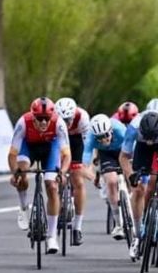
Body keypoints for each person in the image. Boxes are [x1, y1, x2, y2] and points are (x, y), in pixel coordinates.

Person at [8, 97, 71, 254]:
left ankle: (51, 236)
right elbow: (12, 154)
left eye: (46, 119)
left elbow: (66, 154)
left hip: (50, 149)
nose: (43, 123)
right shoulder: (23, 122)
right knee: (22, 172)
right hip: (28, 147)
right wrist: (15, 173)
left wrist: (62, 172)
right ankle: (23, 208)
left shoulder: (59, 124)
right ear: (33, 116)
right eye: (39, 119)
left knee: (51, 185)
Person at [119, 111, 158, 259]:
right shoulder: (134, 128)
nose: (150, 142)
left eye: (152, 138)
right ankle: (137, 234)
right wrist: (131, 176)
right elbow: (123, 157)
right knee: (139, 188)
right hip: (141, 148)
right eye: (147, 137)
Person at [83, 114, 128, 241]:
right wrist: (86, 167)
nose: (103, 140)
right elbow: (86, 155)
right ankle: (118, 223)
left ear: (111, 131)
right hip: (106, 155)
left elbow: (133, 146)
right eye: (100, 138)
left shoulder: (120, 130)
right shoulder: (90, 137)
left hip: (123, 152)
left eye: (106, 136)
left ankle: (132, 202)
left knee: (132, 177)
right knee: (111, 182)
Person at [54, 98, 90, 245]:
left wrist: (84, 165)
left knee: (78, 181)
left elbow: (87, 145)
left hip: (77, 143)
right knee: (55, 178)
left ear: (74, 115)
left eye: (68, 120)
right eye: (63, 120)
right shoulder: (54, 120)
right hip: (59, 141)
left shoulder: (83, 117)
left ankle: (77, 227)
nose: (67, 123)